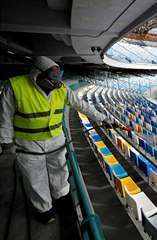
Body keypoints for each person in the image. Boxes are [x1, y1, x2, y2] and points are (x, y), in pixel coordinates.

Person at [0, 56, 130, 224]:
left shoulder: (61, 89)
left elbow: (81, 105)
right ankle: (44, 210)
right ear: (37, 74)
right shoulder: (15, 87)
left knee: (60, 172)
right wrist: (6, 142)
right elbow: (4, 117)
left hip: (56, 141)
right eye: (53, 76)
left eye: (58, 76)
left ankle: (62, 200)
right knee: (35, 178)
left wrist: (102, 119)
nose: (56, 81)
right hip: (28, 145)